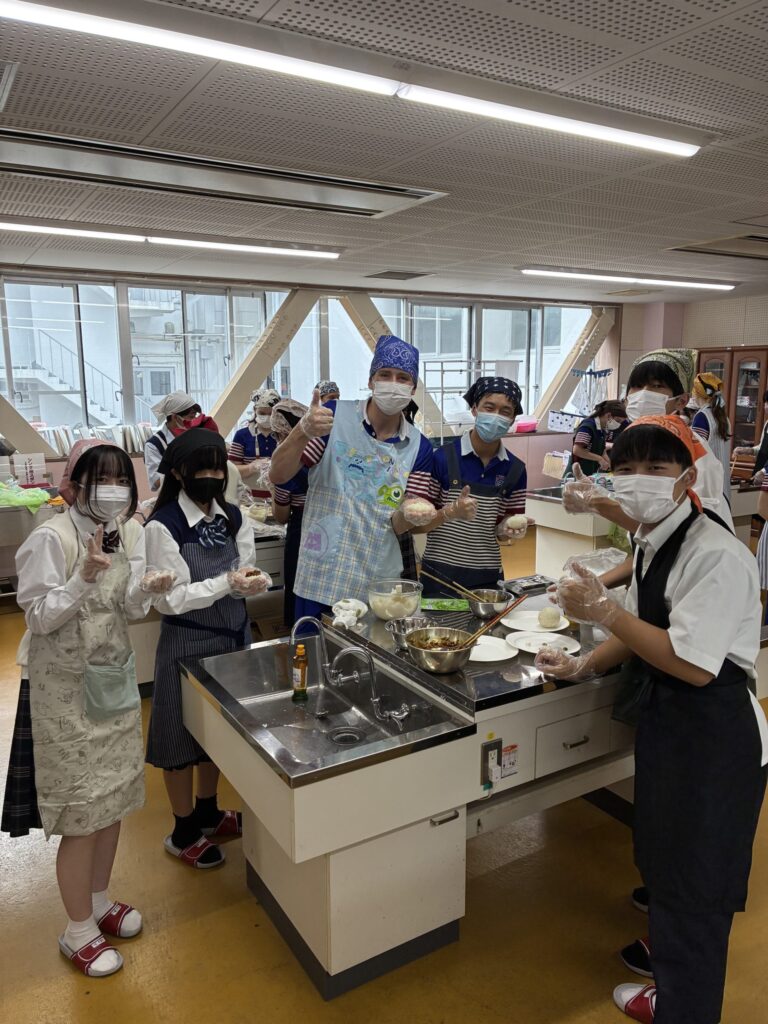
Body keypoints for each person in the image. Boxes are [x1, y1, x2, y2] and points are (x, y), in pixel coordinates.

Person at [538, 416, 767, 1024]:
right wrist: (585, 664)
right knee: (665, 859)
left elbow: (693, 665)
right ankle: (671, 987)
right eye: (627, 468)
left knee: (697, 887)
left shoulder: (715, 554)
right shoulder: (655, 536)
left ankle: (685, 1010)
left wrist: (604, 612)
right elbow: (647, 622)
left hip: (715, 735)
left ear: (686, 478)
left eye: (656, 468)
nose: (638, 479)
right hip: (673, 724)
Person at [1, 439, 171, 978]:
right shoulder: (50, 538)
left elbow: (125, 608)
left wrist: (148, 589)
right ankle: (76, 929)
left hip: (111, 681)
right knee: (80, 813)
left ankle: (98, 902)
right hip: (64, 692)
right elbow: (38, 617)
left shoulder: (121, 532)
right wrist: (84, 577)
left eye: (122, 479)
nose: (114, 489)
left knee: (112, 801)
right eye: (102, 479)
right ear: (75, 485)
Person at [144, 429, 270, 869]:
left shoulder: (233, 516)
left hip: (232, 636)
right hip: (187, 640)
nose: (212, 477)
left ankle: (208, 811)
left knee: (216, 732)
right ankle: (182, 830)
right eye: (202, 469)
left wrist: (252, 582)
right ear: (179, 473)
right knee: (179, 736)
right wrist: (226, 584)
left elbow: (246, 566)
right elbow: (170, 600)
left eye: (218, 469)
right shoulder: (163, 526)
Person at [269, 335, 437, 618]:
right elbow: (279, 474)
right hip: (321, 572)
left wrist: (414, 512)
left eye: (402, 378)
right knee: (313, 645)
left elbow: (399, 525)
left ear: (413, 388)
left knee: (372, 648)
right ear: (371, 380)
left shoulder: (419, 447)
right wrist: (302, 431)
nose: (393, 383)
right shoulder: (333, 418)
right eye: (385, 375)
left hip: (377, 582)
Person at [563, 349, 734, 536]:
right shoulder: (632, 440)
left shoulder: (689, 446)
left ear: (682, 401)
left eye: (657, 386)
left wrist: (598, 503)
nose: (644, 393)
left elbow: (684, 527)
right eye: (637, 386)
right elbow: (642, 515)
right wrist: (601, 494)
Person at [418, 376, 530, 596]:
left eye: (505, 411)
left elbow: (501, 532)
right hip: (438, 576)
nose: (496, 416)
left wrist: (508, 530)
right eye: (489, 407)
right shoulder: (442, 458)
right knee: (437, 621)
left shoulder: (516, 470)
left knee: (487, 621)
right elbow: (419, 526)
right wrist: (450, 512)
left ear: (512, 419)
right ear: (474, 409)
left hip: (487, 577)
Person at [270, 398, 308, 627]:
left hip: (303, 531)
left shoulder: (286, 466)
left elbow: (281, 516)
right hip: (334, 528)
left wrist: (275, 494)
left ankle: (302, 633)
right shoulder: (324, 452)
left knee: (300, 586)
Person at [144, 390, 202, 492]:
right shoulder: (154, 445)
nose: (194, 421)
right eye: (191, 417)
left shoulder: (196, 437)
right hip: (172, 497)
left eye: (195, 417)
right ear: (175, 417)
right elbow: (156, 482)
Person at [689, 372, 732, 503]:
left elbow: (695, 451)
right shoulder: (724, 417)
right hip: (723, 482)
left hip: (708, 483)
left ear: (696, 393)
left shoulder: (702, 417)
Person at [565, 400, 627, 477]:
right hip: (576, 472)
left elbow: (602, 451)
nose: (618, 424)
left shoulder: (602, 429)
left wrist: (612, 466)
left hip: (589, 472)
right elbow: (577, 450)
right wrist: (599, 459)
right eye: (618, 421)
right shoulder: (588, 426)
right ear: (608, 416)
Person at [229, 387, 281, 465]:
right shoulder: (241, 435)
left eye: (271, 414)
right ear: (255, 410)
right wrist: (251, 468)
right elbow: (233, 468)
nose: (267, 417)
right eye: (262, 413)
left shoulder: (284, 435)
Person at [734, 388, 768, 483]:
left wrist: (764, 471)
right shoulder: (767, 424)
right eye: (765, 403)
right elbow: (762, 448)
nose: (765, 406)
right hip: (759, 473)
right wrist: (747, 450)